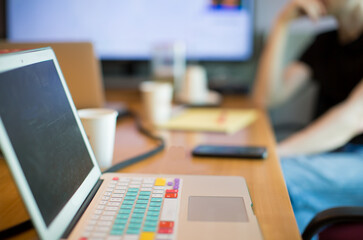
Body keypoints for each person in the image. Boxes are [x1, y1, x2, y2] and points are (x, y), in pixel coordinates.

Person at [253, 0, 363, 233]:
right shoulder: (326, 43)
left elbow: (351, 120)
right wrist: (282, 24)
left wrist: (274, 154)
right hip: (326, 157)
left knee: (273, 179)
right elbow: (267, 97)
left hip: (357, 161)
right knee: (295, 214)